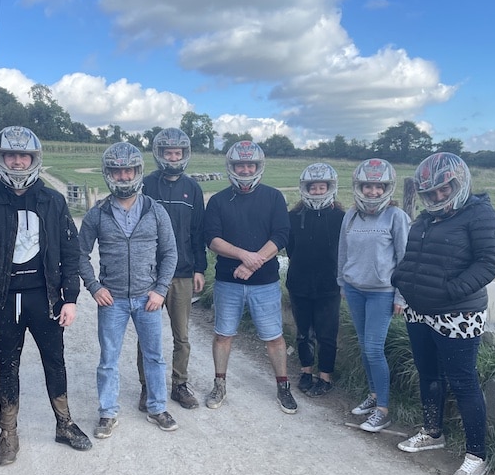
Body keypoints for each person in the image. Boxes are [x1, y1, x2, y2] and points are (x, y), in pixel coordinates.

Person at [0, 126, 92, 466]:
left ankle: (64, 423)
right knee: (7, 366)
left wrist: (70, 297)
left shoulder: (53, 201)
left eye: (24, 156)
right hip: (4, 300)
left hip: (45, 297)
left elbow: (70, 250)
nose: (18, 162)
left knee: (55, 361)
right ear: (0, 158)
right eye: (11, 155)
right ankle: (8, 433)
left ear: (35, 159)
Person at [392, 152, 495, 475]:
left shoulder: (480, 214)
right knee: (428, 373)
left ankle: (476, 454)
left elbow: (489, 262)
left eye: (444, 190)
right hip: (419, 310)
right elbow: (414, 257)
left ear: (459, 183)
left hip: (459, 314)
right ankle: (432, 431)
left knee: (463, 381)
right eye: (431, 193)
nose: (438, 197)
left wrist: (452, 291)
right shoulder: (426, 219)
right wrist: (401, 280)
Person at [79, 141, 179, 438]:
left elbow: (170, 253)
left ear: (138, 171)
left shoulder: (155, 211)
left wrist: (161, 289)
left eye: (129, 170)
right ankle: (107, 413)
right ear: (108, 173)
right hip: (112, 301)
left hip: (148, 297)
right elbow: (79, 255)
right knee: (108, 358)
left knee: (155, 356)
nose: (123, 176)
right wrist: (95, 287)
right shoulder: (97, 214)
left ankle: (157, 406)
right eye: (117, 171)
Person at [203, 141, 296, 413]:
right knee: (223, 334)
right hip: (227, 281)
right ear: (231, 167)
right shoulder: (219, 200)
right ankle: (219, 383)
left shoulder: (274, 197)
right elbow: (212, 239)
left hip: (264, 282)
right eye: (240, 165)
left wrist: (252, 265)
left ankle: (283, 385)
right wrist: (246, 256)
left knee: (274, 337)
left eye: (250, 165)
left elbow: (280, 236)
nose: (245, 170)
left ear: (258, 167)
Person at [136, 128, 207, 411]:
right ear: (159, 154)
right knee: (147, 336)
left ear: (185, 155)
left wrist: (200, 268)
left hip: (182, 272)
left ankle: (179, 384)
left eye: (178, 153)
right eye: (168, 153)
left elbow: (198, 232)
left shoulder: (193, 188)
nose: (173, 158)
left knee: (182, 336)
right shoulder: (146, 185)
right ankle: (148, 387)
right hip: (149, 274)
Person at [337, 158, 410, 432]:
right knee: (364, 346)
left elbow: (405, 259)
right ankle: (373, 395)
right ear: (359, 186)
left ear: (387, 188)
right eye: (368, 186)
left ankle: (383, 410)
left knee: (373, 349)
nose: (373, 192)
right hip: (355, 290)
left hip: (382, 293)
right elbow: (343, 252)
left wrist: (401, 297)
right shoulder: (351, 215)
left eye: (379, 187)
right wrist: (342, 282)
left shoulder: (396, 217)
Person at [286, 163, 345, 398]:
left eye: (322, 187)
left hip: (329, 284)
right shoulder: (294, 216)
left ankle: (325, 376)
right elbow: (290, 249)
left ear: (330, 188)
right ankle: (306, 371)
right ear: (306, 189)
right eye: (314, 187)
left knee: (327, 333)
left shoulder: (341, 217)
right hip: (299, 282)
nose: (318, 191)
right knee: (303, 332)